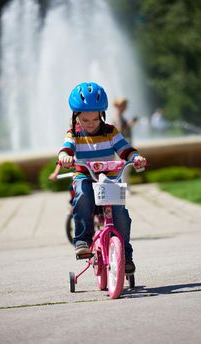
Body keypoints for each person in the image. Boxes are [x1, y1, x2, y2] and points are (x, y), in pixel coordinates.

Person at [56, 82, 147, 273]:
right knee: (82, 195)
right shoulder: (74, 132)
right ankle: (83, 239)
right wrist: (65, 156)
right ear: (76, 116)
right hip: (85, 175)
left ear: (102, 115)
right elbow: (66, 147)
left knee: (120, 213)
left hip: (109, 178)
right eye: (85, 120)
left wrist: (135, 157)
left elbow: (125, 149)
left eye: (95, 120)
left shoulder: (110, 131)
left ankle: (126, 255)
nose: (90, 124)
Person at [112, 98, 139, 185]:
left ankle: (125, 186)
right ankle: (124, 187)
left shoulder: (119, 116)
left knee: (125, 167)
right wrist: (129, 124)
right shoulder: (117, 116)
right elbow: (118, 131)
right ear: (120, 106)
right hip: (121, 147)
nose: (125, 108)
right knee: (124, 167)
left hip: (123, 145)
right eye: (124, 105)